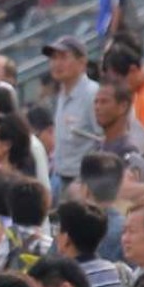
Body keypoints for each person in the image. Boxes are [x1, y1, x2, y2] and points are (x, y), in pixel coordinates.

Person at [45, 35, 99, 194]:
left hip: (84, 182)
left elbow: (103, 142)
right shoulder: (62, 94)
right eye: (53, 58)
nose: (56, 64)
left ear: (82, 62)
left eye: (63, 57)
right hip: (60, 177)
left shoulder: (92, 95)